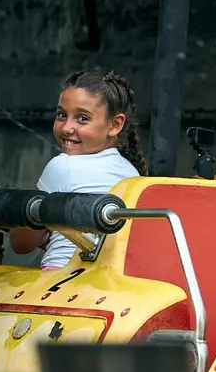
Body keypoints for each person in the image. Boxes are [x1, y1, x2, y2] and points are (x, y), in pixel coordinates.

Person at [10, 70, 145, 269]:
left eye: (82, 118)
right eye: (62, 115)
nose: (66, 128)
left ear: (115, 125)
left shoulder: (63, 166)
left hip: (62, 281)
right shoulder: (132, 173)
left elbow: (20, 244)